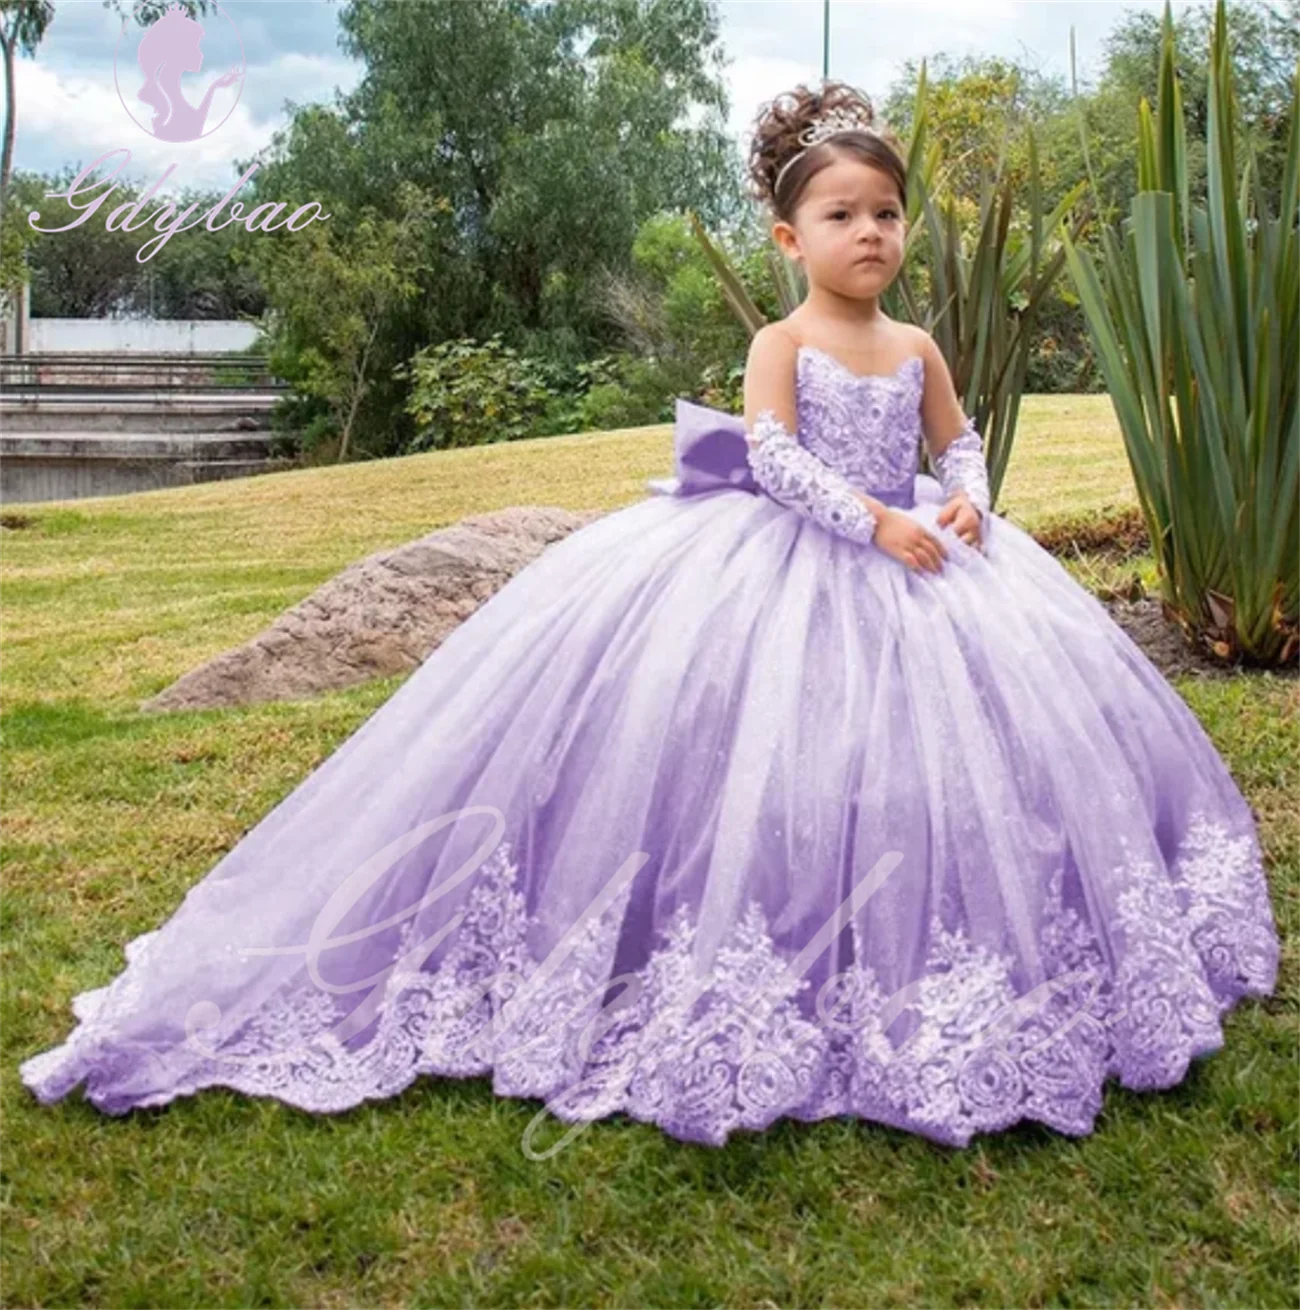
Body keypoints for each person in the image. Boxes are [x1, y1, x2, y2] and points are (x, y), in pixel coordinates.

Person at [19, 81, 1280, 1152]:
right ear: (788, 236)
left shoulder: (919, 345)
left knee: (941, 764)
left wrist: (961, 504)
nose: (870, 234)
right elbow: (774, 460)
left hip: (930, 567)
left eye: (886, 213)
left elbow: (961, 448)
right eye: (841, 215)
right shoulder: (783, 341)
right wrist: (871, 518)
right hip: (788, 555)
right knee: (733, 754)